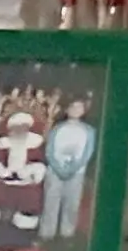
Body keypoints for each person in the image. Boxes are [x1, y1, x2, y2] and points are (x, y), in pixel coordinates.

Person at [41, 94, 97, 242]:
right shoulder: (57, 128)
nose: (75, 110)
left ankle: (67, 233)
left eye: (79, 107)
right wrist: (58, 168)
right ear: (67, 109)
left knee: (72, 204)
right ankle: (47, 233)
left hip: (76, 173)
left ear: (84, 110)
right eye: (72, 107)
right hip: (55, 171)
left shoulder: (89, 131)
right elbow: (50, 150)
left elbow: (87, 152)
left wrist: (73, 168)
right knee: (51, 202)